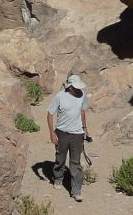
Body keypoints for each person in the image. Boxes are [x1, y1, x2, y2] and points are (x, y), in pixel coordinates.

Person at [47, 74, 89, 202]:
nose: (77, 89)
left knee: (75, 162)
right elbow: (50, 113)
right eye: (75, 87)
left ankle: (76, 191)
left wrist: (85, 129)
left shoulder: (82, 95)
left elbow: (82, 111)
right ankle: (58, 178)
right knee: (60, 158)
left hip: (77, 134)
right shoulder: (60, 96)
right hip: (62, 132)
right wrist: (51, 132)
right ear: (70, 87)